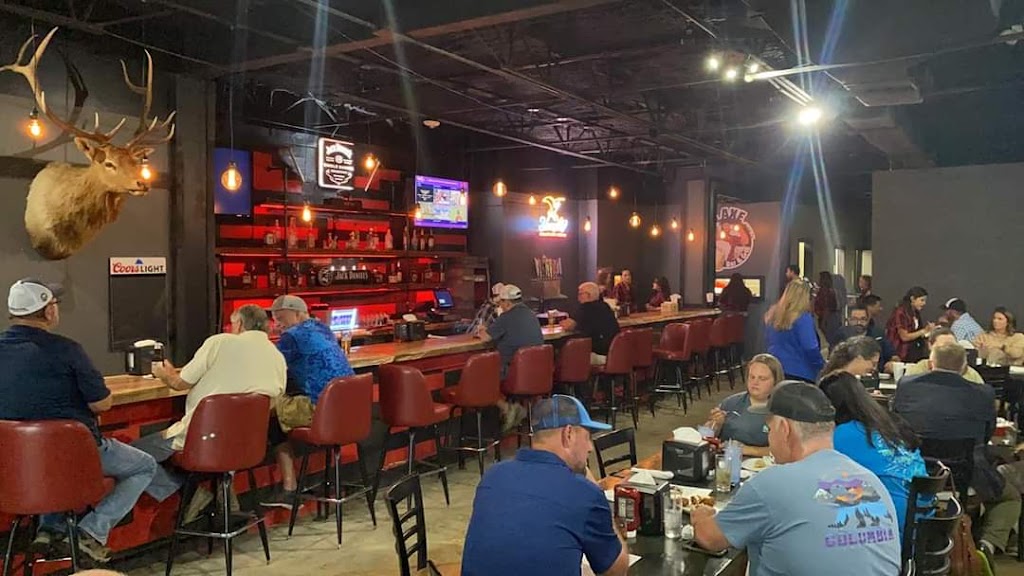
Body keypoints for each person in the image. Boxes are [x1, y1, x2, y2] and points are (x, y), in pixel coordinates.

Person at [0, 279, 157, 562]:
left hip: (16, 468)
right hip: (73, 458)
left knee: (51, 461)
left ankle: (50, 529)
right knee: (144, 466)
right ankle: (90, 533)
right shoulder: (67, 350)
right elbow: (102, 403)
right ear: (49, 311)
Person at [690, 382, 901, 575]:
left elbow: (709, 538)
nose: (769, 436)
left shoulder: (772, 483)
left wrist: (700, 515)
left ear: (784, 429)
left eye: (769, 429)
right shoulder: (869, 480)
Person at [133, 304, 286, 516]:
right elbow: (275, 401)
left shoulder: (220, 342)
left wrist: (161, 372)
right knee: (226, 451)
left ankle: (189, 493)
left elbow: (179, 383)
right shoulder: (277, 356)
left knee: (132, 455)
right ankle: (226, 499)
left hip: (203, 439)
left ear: (240, 324)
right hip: (248, 444)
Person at [461, 395, 628, 576]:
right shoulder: (583, 492)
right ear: (568, 434)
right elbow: (617, 571)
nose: (590, 448)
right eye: (587, 437)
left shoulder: (493, 476)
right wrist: (594, 487)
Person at [892, 343, 1017, 554]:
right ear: (964, 367)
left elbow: (896, 427)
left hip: (913, 473)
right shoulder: (984, 393)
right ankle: (986, 545)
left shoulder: (906, 385)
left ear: (931, 363)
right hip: (967, 474)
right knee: (1010, 498)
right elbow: (986, 434)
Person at [262, 295, 354, 508]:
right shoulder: (323, 328)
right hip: (350, 409)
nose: (277, 324)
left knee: (271, 413)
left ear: (297, 313)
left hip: (322, 411)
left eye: (281, 318)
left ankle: (290, 489)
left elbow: (272, 365)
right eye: (274, 319)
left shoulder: (291, 336)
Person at [820, 372, 927, 542]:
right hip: (922, 518)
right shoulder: (890, 423)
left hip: (890, 527)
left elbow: (817, 476)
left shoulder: (841, 435)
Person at [477, 284, 544, 430]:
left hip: (512, 373)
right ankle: (518, 409)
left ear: (507, 303)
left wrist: (481, 330)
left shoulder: (506, 317)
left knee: (479, 376)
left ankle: (506, 407)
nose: (500, 306)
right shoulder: (531, 315)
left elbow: (485, 338)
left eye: (501, 302)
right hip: (537, 374)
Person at [704, 353, 783, 457]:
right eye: (752, 377)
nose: (755, 382)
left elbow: (785, 451)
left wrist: (745, 449)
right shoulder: (731, 402)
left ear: (775, 381)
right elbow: (706, 437)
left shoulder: (783, 410)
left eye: (762, 378)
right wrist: (715, 425)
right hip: (726, 460)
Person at [764, 279, 824, 382]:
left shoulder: (773, 315)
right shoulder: (803, 318)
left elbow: (768, 340)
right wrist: (821, 365)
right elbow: (810, 347)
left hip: (776, 370)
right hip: (800, 372)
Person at [560, 282, 619, 365]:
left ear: (589, 295)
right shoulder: (605, 306)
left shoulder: (586, 307)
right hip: (615, 353)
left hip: (598, 354)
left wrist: (566, 323)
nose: (578, 297)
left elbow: (567, 325)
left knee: (566, 357)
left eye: (580, 294)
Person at [904, 327, 984, 384]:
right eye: (942, 347)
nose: (948, 351)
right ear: (930, 346)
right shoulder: (916, 371)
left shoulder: (971, 374)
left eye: (952, 346)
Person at [832, 304, 898, 373]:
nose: (859, 323)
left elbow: (894, 357)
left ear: (868, 319)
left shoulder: (878, 335)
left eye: (863, 319)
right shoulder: (841, 334)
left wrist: (892, 364)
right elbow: (833, 360)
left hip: (877, 375)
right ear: (848, 320)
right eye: (854, 319)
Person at [885, 286, 934, 363]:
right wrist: (923, 331)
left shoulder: (915, 312)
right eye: (922, 300)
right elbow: (904, 337)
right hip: (901, 352)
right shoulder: (900, 313)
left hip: (913, 350)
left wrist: (927, 331)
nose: (924, 303)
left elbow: (916, 332)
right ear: (912, 299)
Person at [814, 271, 841, 345]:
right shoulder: (830, 291)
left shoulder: (825, 292)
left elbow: (827, 307)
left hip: (826, 319)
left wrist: (824, 321)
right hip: (826, 318)